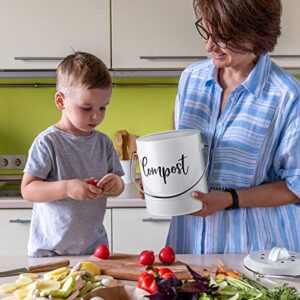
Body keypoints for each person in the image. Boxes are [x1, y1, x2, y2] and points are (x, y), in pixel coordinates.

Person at [166, 0, 300, 254]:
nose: (209, 46)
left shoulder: (287, 96)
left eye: (223, 38)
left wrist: (229, 199)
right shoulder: (191, 79)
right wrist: (162, 186)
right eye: (207, 32)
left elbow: (295, 186)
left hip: (254, 250)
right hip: (188, 244)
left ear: (255, 35)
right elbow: (181, 147)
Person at [21, 52, 125, 257]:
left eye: (103, 108)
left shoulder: (103, 143)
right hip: (49, 251)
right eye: (86, 108)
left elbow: (119, 183)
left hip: (93, 249)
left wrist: (116, 184)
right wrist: (67, 187)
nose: (96, 116)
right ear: (61, 101)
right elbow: (28, 190)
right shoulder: (47, 142)